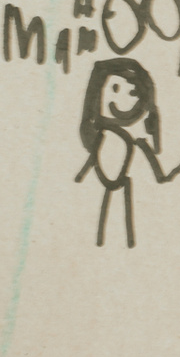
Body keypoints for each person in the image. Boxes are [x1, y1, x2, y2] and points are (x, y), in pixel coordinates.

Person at [74, 58, 166, 247]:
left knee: (125, 209)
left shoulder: (132, 140)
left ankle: (128, 240)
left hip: (123, 179)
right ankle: (102, 240)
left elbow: (149, 161)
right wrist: (82, 174)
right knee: (105, 209)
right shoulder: (102, 136)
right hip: (105, 174)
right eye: (114, 88)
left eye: (132, 93)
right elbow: (93, 158)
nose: (121, 99)